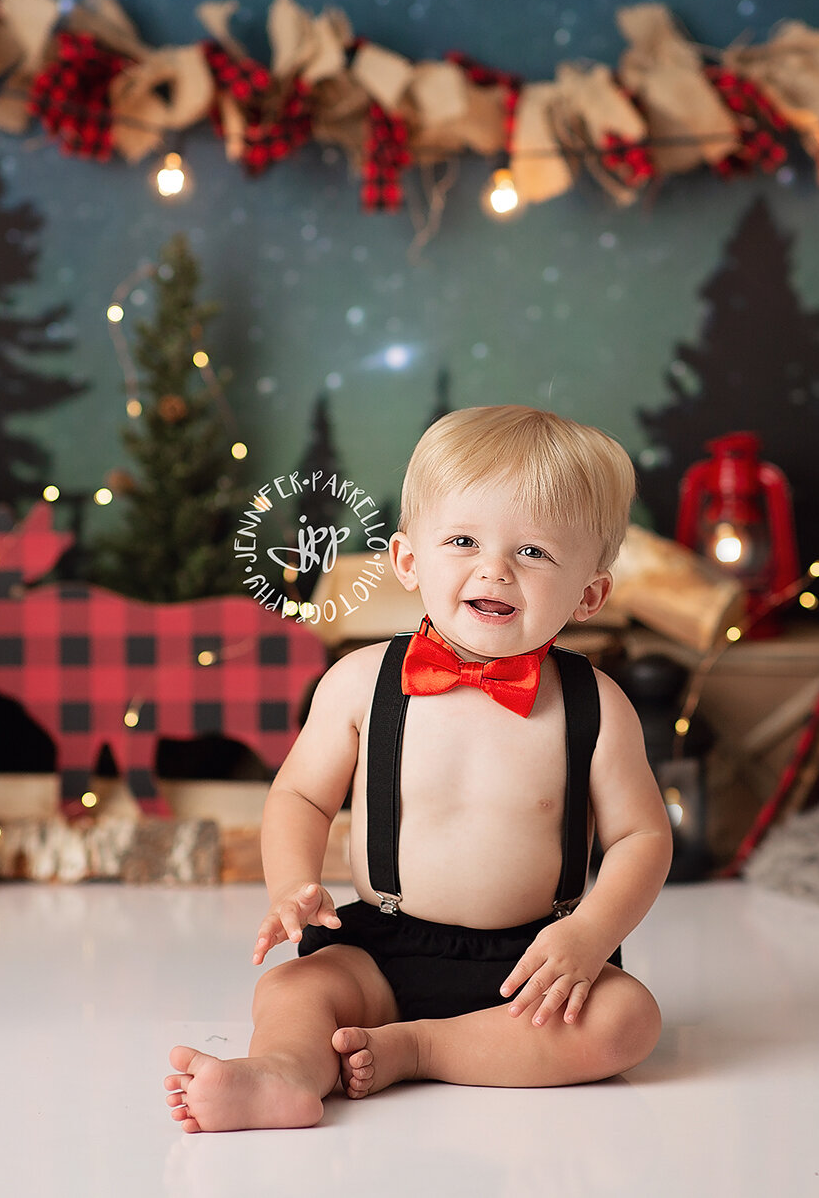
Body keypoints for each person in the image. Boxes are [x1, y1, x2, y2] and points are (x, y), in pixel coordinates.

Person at [167, 405, 670, 1132]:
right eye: (463, 539)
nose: (493, 567)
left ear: (589, 593)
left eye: (533, 551)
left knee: (628, 1018)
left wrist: (589, 935)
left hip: (532, 957)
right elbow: (303, 794)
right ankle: (282, 1073)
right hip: (388, 942)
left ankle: (422, 1048)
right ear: (407, 560)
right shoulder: (361, 681)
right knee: (295, 988)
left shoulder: (598, 706)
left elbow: (643, 839)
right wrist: (291, 883)